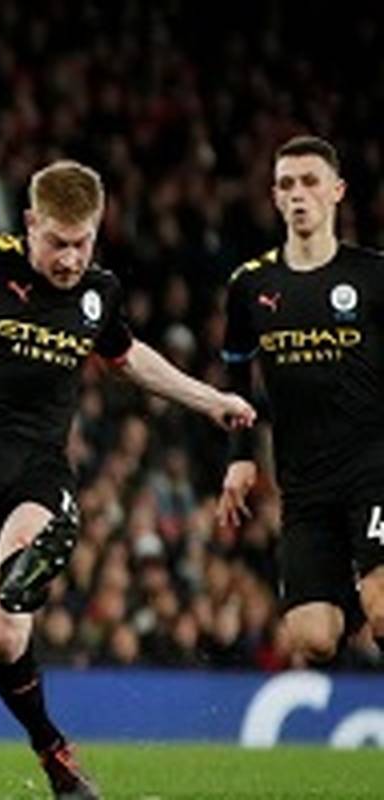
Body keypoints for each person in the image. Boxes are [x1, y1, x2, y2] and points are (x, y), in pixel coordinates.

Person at [0, 160, 255, 799]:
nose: (70, 258)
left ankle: (41, 547)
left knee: (18, 566)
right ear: (30, 223)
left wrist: (209, 400)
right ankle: (51, 747)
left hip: (37, 464)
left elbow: (126, 357)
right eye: (58, 242)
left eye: (83, 242)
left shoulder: (99, 292)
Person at [218, 135, 384, 667]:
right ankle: (357, 589)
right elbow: (237, 370)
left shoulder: (373, 275)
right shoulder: (250, 285)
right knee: (313, 638)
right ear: (274, 196)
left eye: (310, 181)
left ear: (337, 191)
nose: (298, 193)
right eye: (286, 184)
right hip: (304, 484)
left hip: (374, 471)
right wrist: (240, 455)